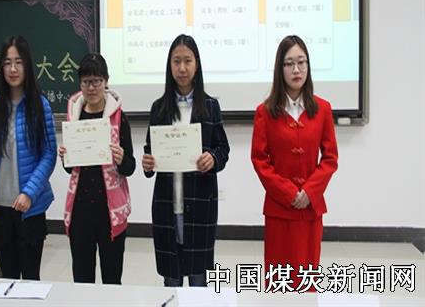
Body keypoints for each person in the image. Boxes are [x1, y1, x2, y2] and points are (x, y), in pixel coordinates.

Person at [251, 35, 338, 291]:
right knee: (280, 281)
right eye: (289, 63)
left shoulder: (322, 109)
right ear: (280, 69)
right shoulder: (265, 111)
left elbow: (330, 158)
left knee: (307, 280)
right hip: (279, 208)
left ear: (308, 66)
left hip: (310, 209)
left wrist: (309, 192)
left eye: (301, 62)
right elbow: (259, 160)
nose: (296, 69)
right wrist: (289, 192)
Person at [142, 34, 230, 287]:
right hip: (166, 203)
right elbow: (149, 151)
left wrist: (212, 158)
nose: (182, 68)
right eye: (176, 61)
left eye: (187, 61)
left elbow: (223, 148)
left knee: (199, 279)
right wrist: (148, 164)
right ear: (169, 65)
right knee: (171, 279)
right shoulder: (159, 108)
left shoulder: (210, 106)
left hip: (200, 202)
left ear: (197, 64)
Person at [0, 36, 57, 280]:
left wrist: (29, 193)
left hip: (30, 208)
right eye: (7, 63)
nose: (12, 69)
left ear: (27, 65)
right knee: (7, 277)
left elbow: (49, 154)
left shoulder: (40, 105)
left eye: (18, 62)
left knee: (30, 280)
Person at [60, 53, 135, 284]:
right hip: (80, 210)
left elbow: (130, 166)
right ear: (80, 83)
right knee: (82, 279)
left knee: (112, 279)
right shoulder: (74, 117)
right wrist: (65, 157)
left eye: (96, 81)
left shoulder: (119, 118)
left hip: (109, 211)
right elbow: (70, 170)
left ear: (106, 82)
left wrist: (122, 158)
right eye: (86, 82)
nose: (91, 87)